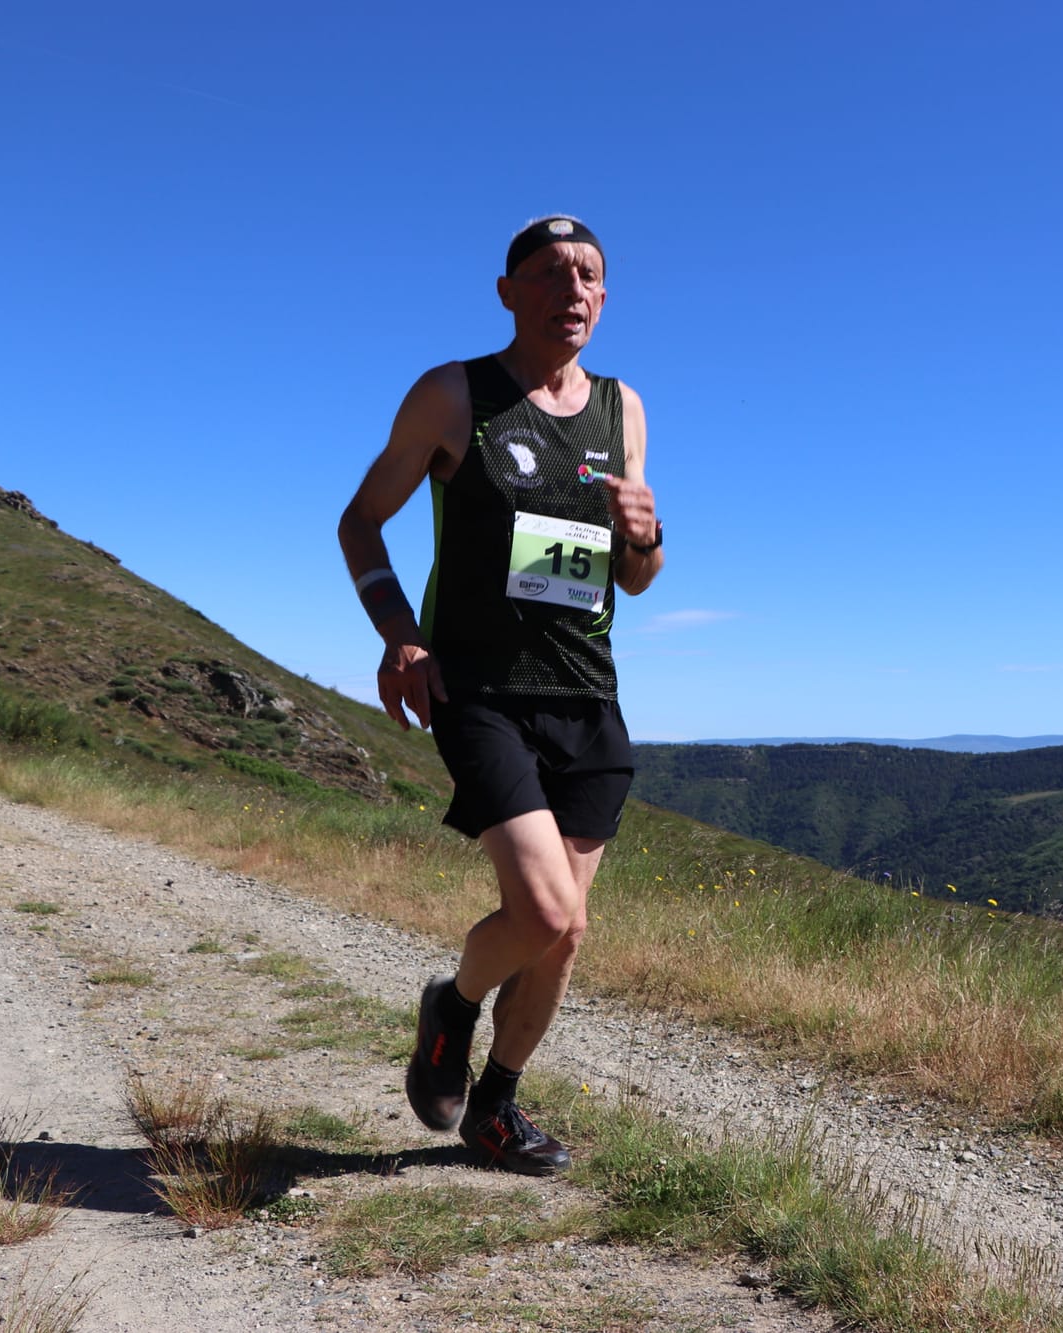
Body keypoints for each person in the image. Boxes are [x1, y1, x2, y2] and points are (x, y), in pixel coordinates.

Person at [335, 215, 663, 1175]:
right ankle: (453, 1006)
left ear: (605, 298)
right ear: (507, 291)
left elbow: (635, 579)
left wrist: (644, 532)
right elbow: (361, 521)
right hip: (481, 690)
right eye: (553, 272)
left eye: (592, 275)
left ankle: (495, 1107)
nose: (575, 289)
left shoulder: (622, 409)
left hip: (588, 699)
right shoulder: (453, 395)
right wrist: (399, 633)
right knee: (547, 913)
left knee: (562, 936)